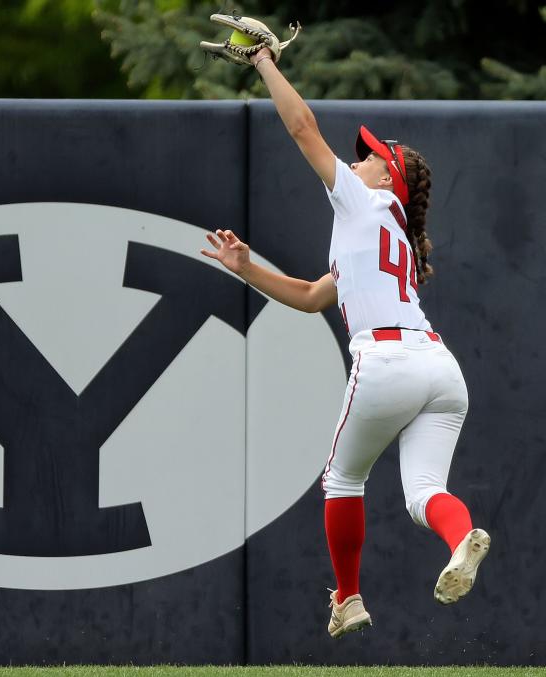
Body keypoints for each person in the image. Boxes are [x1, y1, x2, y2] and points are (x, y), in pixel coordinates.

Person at [200, 45, 490, 639]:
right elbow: (311, 295)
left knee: (341, 480)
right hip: (441, 369)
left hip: (385, 360)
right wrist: (245, 266)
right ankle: (462, 538)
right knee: (426, 494)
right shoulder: (394, 239)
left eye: (370, 158)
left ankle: (349, 598)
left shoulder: (368, 202)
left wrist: (263, 64)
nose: (357, 162)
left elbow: (303, 127)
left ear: (390, 180)